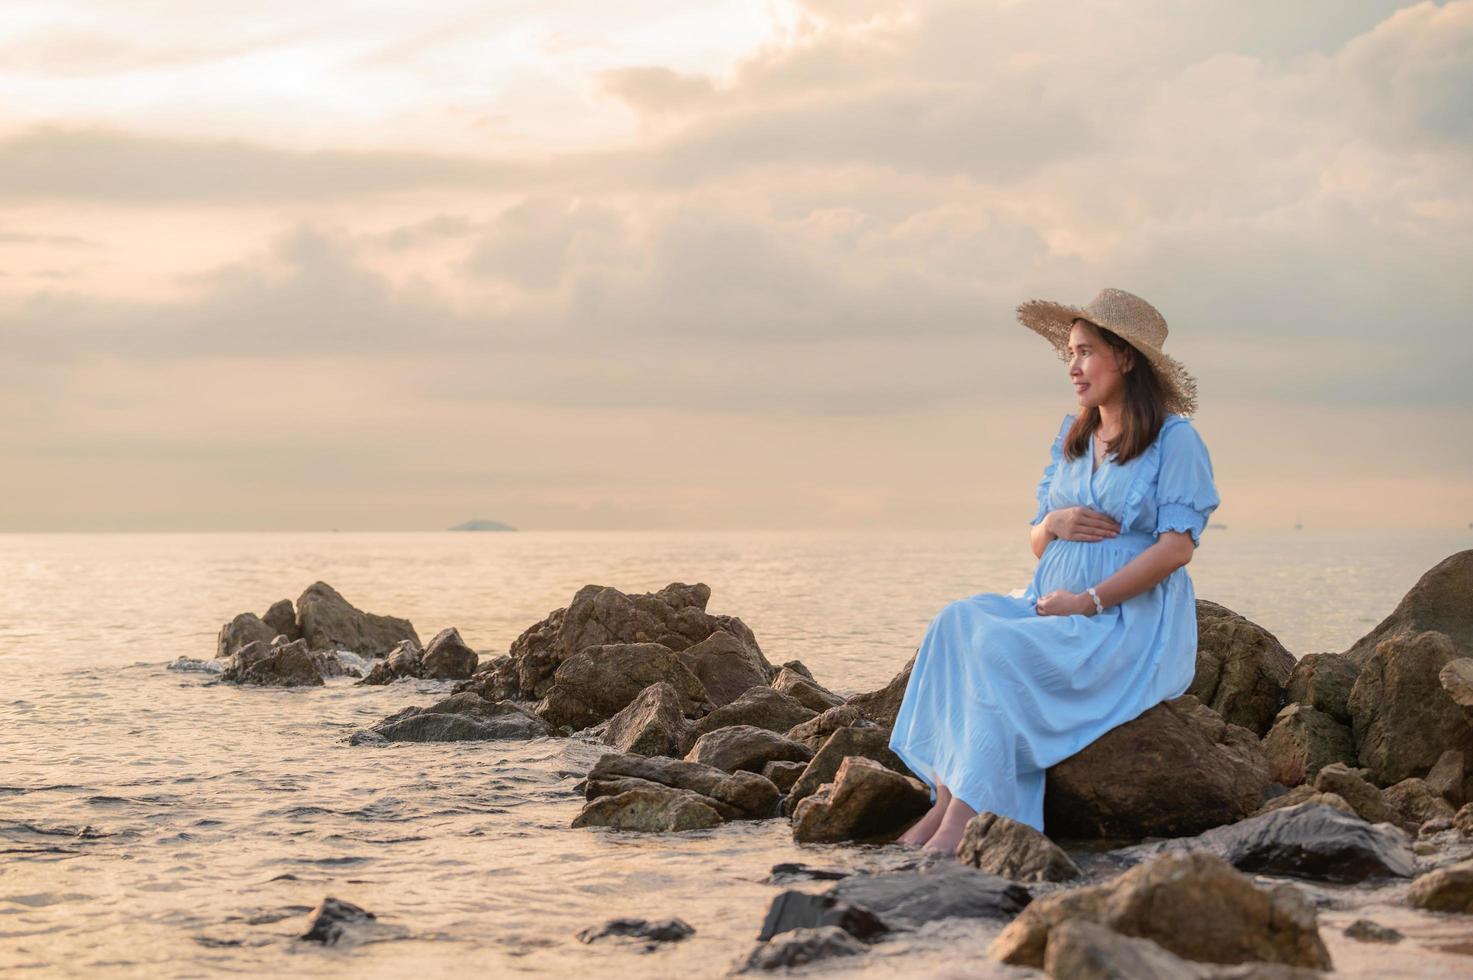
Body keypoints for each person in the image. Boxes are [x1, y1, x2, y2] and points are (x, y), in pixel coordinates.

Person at [888, 287, 1220, 854]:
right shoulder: (1075, 434)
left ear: (1126, 357)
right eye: (1070, 352)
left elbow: (1175, 550)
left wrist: (1087, 600)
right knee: (955, 623)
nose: (1073, 366)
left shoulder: (1174, 440)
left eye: (1086, 351)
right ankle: (947, 799)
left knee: (997, 649)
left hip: (1122, 622)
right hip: (1051, 600)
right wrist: (1056, 522)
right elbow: (1038, 540)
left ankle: (972, 818)